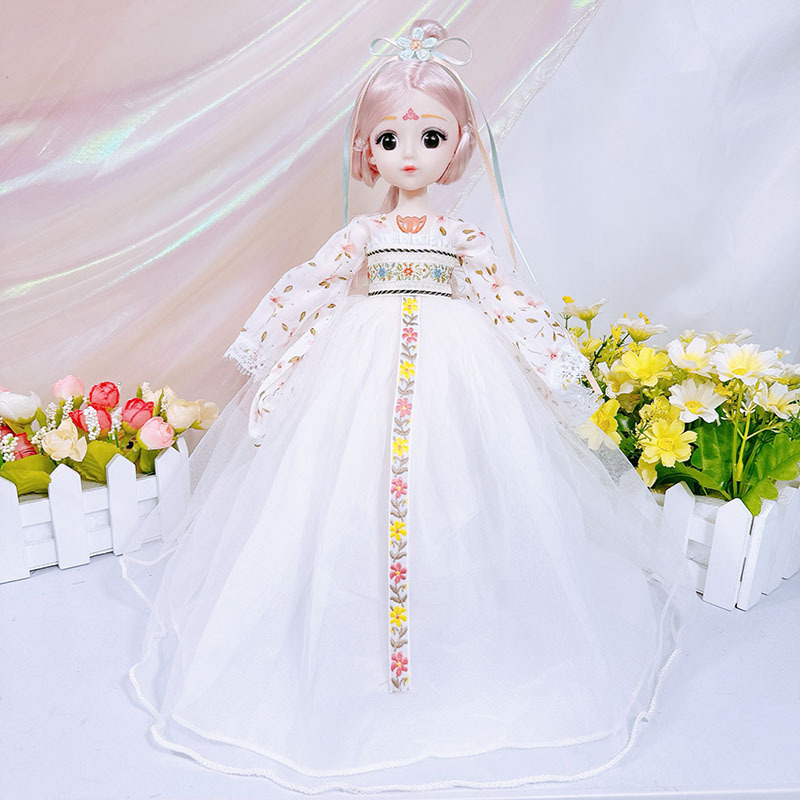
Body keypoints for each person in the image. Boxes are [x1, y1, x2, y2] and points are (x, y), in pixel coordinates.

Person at [120, 19, 699, 793]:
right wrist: (267, 343)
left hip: (458, 359)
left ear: (455, 146)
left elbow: (504, 297)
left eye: (430, 138)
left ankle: (456, 622)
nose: (411, 155)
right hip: (361, 353)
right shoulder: (364, 232)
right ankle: (353, 632)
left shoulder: (460, 237)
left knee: (455, 475)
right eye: (391, 140)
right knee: (342, 478)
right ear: (369, 149)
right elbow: (313, 285)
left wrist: (551, 362)